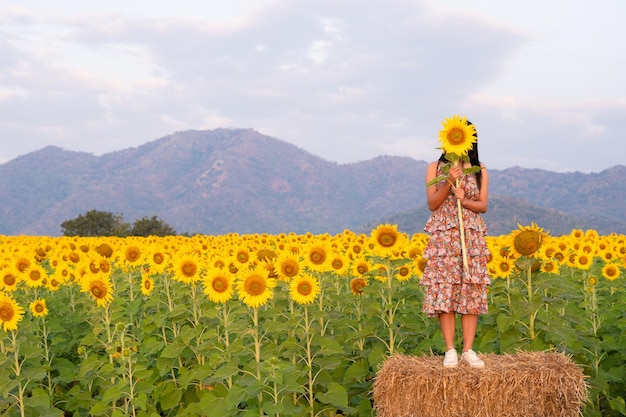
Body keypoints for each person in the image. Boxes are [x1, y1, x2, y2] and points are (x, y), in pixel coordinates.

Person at [420, 121, 490, 368]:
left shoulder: (479, 169)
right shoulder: (435, 168)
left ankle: (468, 350)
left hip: (470, 235)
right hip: (445, 236)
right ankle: (450, 349)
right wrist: (448, 182)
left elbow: (483, 205)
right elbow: (432, 204)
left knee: (470, 288)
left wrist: (465, 200)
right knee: (446, 289)